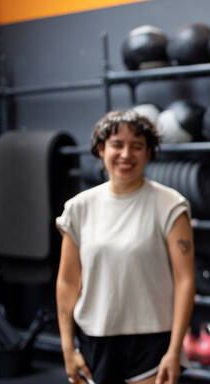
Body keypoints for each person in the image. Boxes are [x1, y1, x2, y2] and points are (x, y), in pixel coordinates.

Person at [56, 110, 195, 384]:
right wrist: (67, 347)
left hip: (153, 339)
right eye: (117, 144)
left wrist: (174, 350)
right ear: (100, 149)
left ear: (148, 152)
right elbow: (67, 282)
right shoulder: (78, 208)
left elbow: (185, 281)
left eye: (137, 146)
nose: (126, 154)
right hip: (95, 337)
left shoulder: (170, 205)